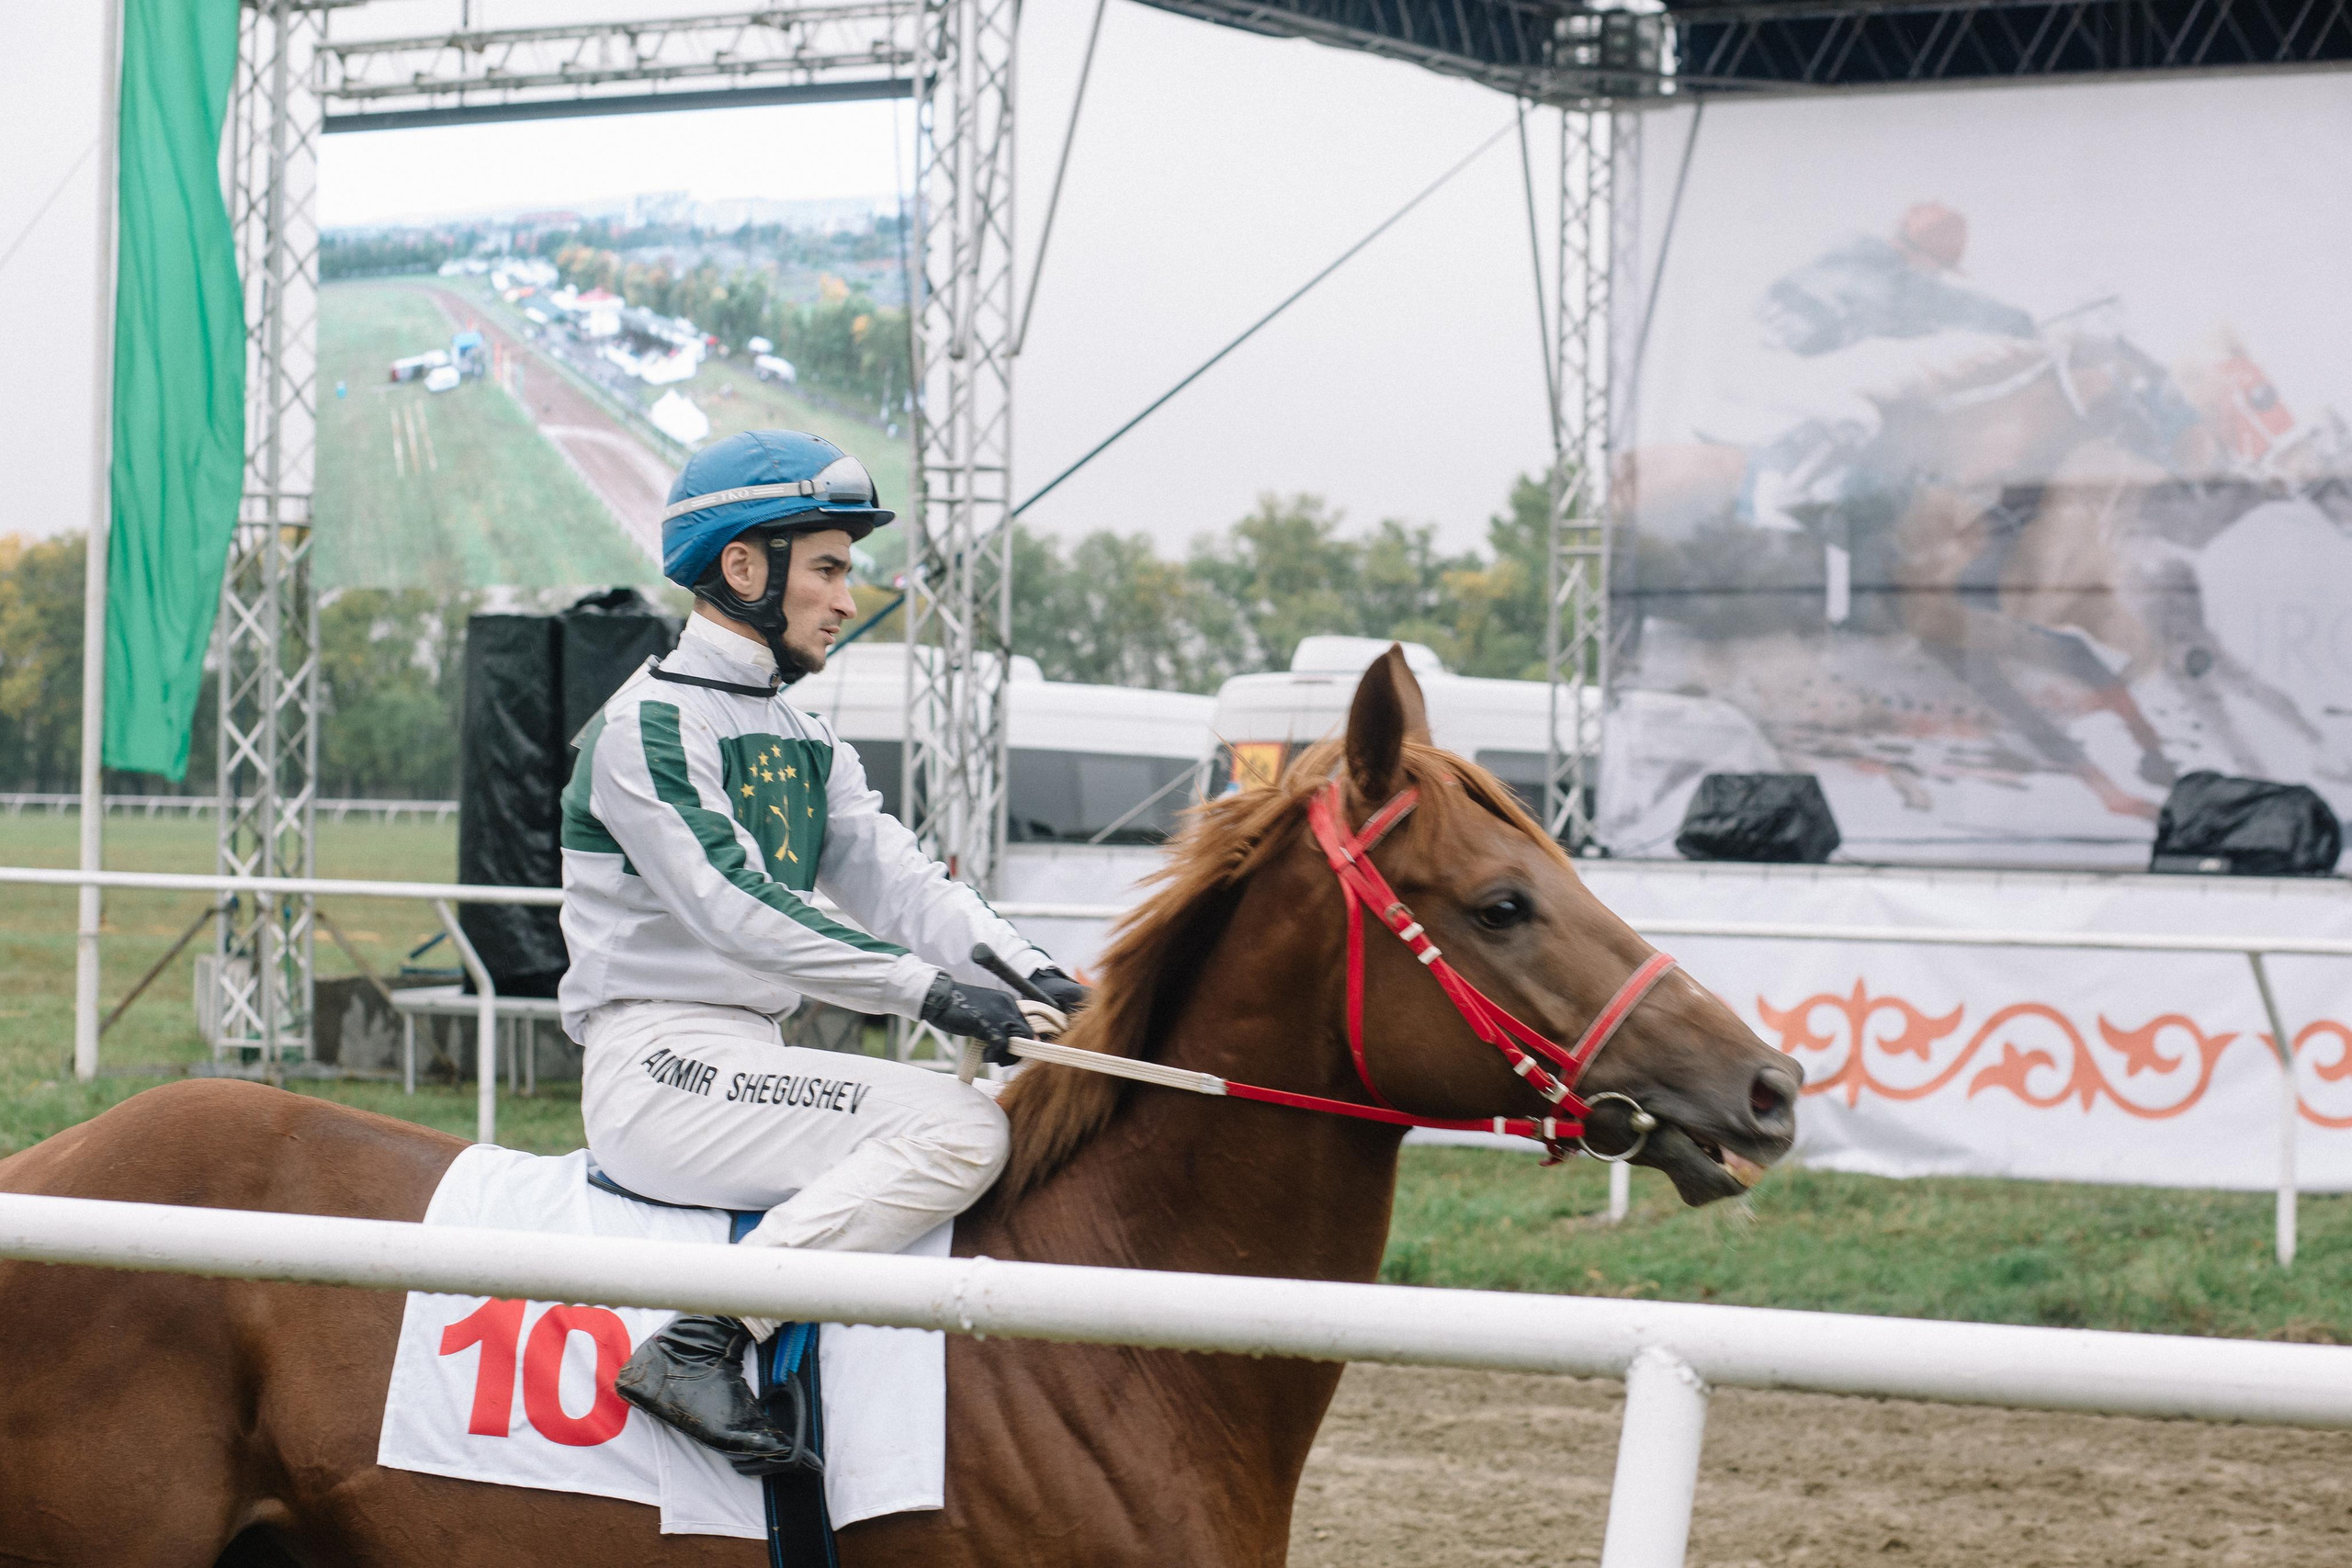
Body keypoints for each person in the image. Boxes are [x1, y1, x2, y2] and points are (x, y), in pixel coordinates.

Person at [557, 429, 1087, 1472]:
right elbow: (739, 907)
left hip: (748, 1056)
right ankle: (701, 1339)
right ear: (744, 568)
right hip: (660, 1068)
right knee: (958, 1133)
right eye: (831, 568)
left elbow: (900, 879)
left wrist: (1034, 974)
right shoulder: (647, 726)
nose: (849, 599)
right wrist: (931, 994)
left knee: (986, 1117)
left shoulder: (806, 734)